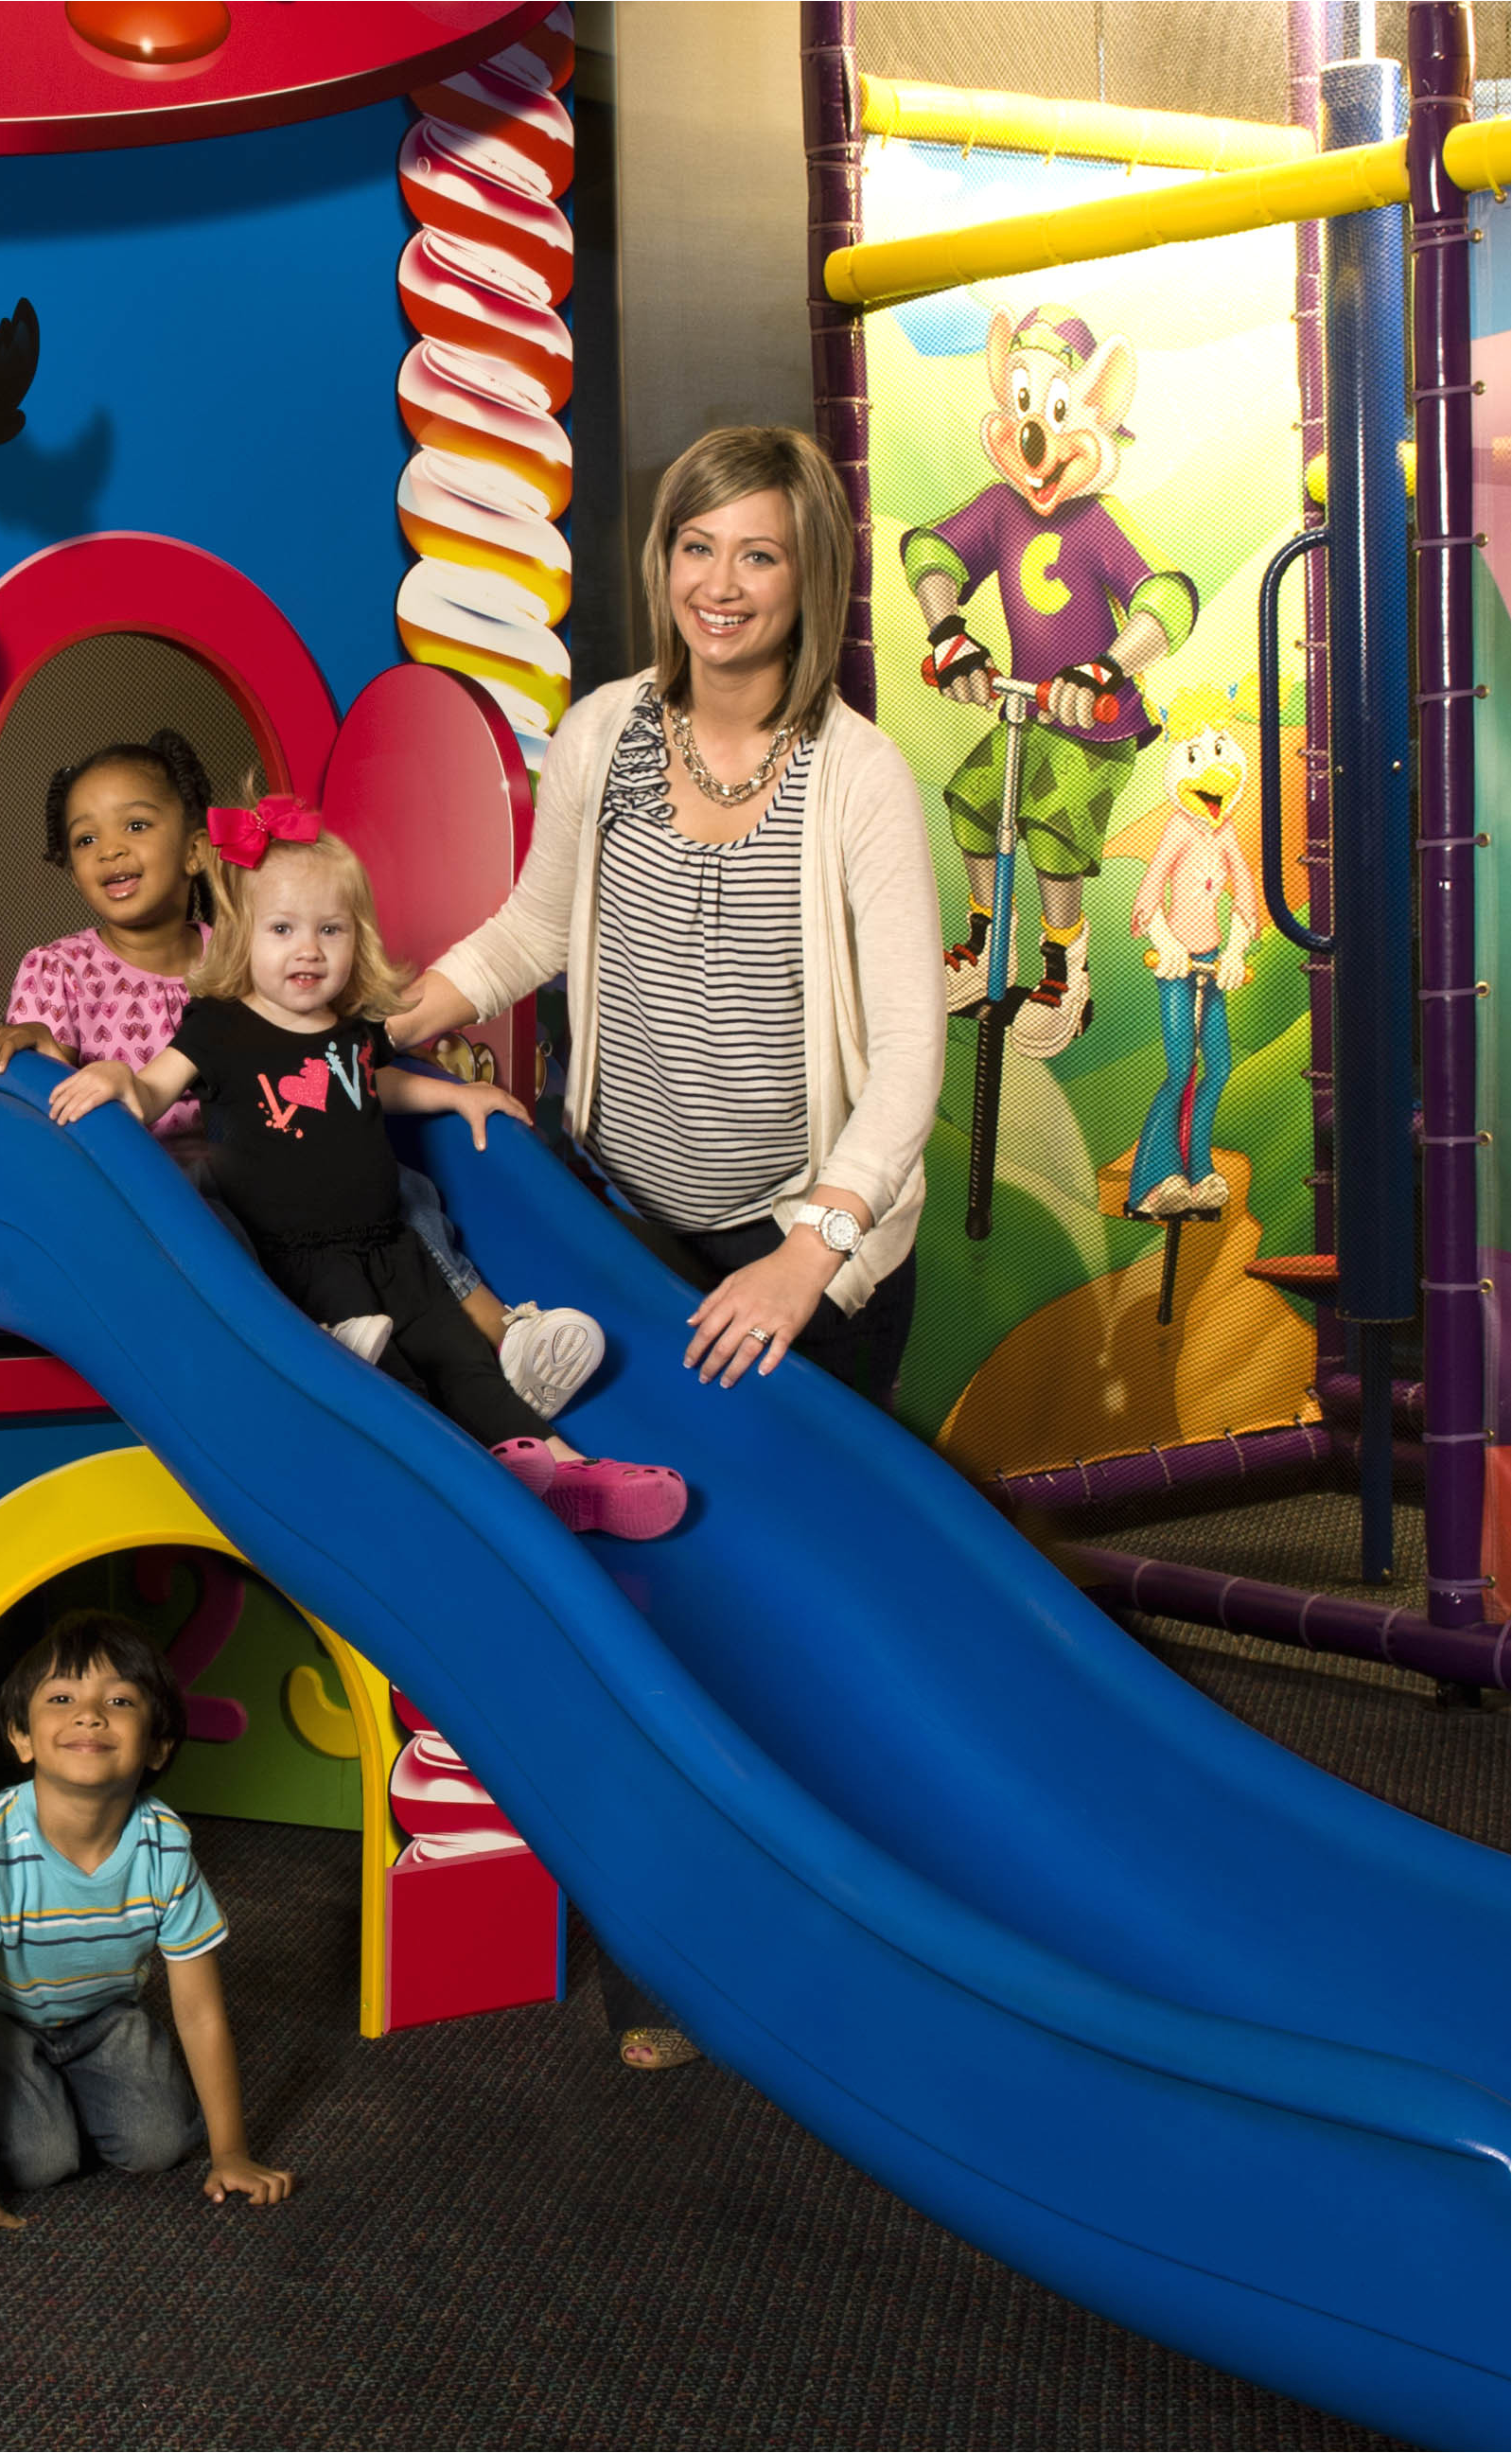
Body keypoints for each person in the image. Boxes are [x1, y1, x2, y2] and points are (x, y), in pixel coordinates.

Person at [387, 425, 945, 2062]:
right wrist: (402, 1010)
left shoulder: (854, 777)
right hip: (626, 1237)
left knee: (801, 1601)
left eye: (757, 553)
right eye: (697, 547)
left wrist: (812, 1249)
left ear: (807, 576)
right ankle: (684, 1941)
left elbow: (910, 1056)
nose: (721, 584)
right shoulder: (605, 736)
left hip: (802, 1256)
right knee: (650, 1585)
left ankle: (847, 1915)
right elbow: (535, 927)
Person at [51, 806, 687, 1538]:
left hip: (393, 1248)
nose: (309, 950)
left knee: (465, 1364)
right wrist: (116, 1078)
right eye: (282, 929)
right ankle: (466, 1493)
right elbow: (152, 1091)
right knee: (395, 1380)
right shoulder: (218, 1028)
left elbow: (369, 1085)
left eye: (331, 929)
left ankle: (571, 1474)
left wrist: (456, 1095)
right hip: (303, 1268)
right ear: (242, 936)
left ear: (357, 937)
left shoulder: (352, 1029)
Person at [0, 731, 604, 1421]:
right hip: (152, 1182)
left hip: (272, 1158)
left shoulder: (248, 948)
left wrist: (434, 1084)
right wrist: (30, 1041)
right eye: (86, 839)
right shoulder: (60, 968)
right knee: (216, 1216)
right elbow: (43, 1072)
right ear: (72, 869)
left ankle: (502, 1330)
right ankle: (305, 1336)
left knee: (393, 1182)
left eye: (137, 826)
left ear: (195, 851)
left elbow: (330, 1057)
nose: (110, 849)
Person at [0, 1611, 291, 2250]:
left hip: (98, 2011)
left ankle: (61, 2081)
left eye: (119, 1701)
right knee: (38, 2159)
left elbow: (199, 2013)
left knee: (160, 2143)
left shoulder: (165, 1845)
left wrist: (231, 2153)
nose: (89, 1715)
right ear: (22, 1737)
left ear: (158, 1745)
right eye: (61, 1699)